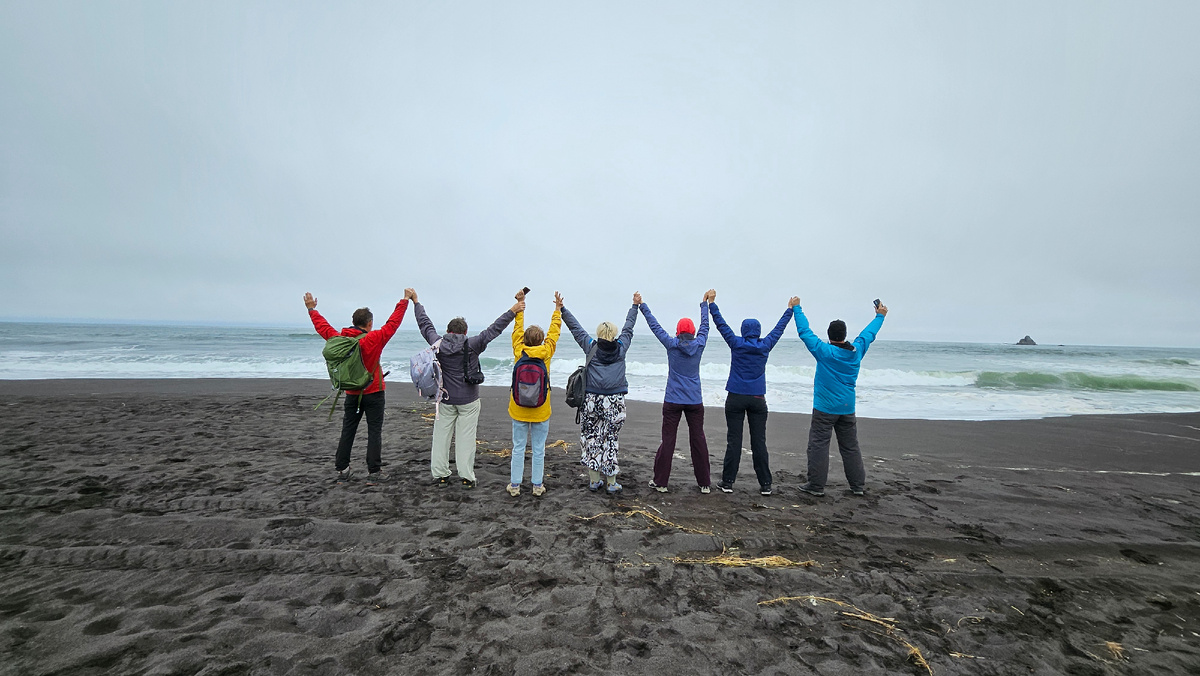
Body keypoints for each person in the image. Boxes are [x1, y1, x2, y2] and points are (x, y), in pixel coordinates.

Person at [411, 288, 522, 488]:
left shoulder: (438, 344)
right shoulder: (472, 344)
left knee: (441, 437)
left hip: (445, 399)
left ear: (448, 330)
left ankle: (441, 475)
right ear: (464, 332)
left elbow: (424, 325)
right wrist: (513, 311)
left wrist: (416, 302)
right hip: (469, 400)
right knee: (466, 439)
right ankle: (466, 476)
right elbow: (494, 329)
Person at [304, 291, 409, 484]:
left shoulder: (341, 339)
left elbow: (323, 328)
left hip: (352, 393)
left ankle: (342, 469)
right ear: (369, 324)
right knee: (374, 431)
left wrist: (312, 309)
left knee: (348, 430)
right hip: (374, 393)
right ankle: (374, 471)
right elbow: (392, 324)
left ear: (353, 322)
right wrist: (404, 301)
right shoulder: (373, 338)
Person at [792, 297, 888, 497]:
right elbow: (868, 334)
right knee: (850, 447)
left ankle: (816, 486)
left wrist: (797, 308)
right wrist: (880, 316)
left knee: (818, 445)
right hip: (847, 408)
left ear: (829, 335)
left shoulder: (824, 351)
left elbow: (805, 333)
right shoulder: (857, 351)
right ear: (845, 335)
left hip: (824, 408)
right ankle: (857, 486)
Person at [709, 292, 794, 496]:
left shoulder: (737, 343)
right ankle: (765, 484)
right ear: (758, 331)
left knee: (734, 441)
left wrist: (712, 304)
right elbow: (779, 329)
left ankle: (728, 482)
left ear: (743, 330)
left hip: (736, 397)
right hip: (758, 399)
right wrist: (790, 309)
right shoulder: (765, 345)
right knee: (759, 442)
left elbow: (721, 325)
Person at [560, 293, 639, 494]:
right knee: (610, 439)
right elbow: (628, 327)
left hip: (591, 400)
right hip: (615, 401)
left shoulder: (591, 347)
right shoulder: (621, 348)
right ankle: (612, 483)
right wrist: (634, 306)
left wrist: (562, 310)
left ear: (598, 334)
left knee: (592, 438)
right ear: (614, 334)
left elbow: (576, 329)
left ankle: (594, 481)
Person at [638, 290, 713, 494]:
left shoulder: (672, 344)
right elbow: (706, 326)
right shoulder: (700, 343)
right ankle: (704, 483)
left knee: (668, 441)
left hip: (672, 400)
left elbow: (655, 327)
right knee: (698, 438)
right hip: (694, 401)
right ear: (693, 331)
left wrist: (642, 305)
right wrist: (704, 304)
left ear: (678, 332)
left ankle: (661, 482)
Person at [507, 290, 564, 497]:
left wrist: (521, 305)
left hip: (518, 408)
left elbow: (517, 329)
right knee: (539, 449)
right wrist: (557, 310)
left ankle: (514, 486)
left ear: (524, 340)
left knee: (518, 448)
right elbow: (554, 333)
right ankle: (537, 486)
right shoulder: (547, 352)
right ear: (541, 340)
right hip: (541, 409)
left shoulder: (518, 350)